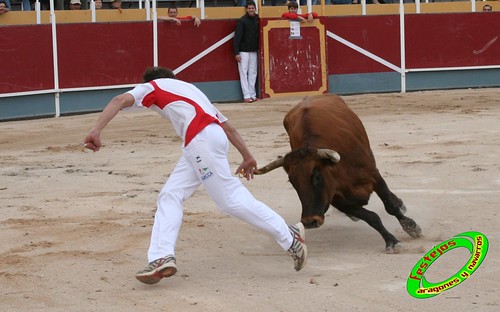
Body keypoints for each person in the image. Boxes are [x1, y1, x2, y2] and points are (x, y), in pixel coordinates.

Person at [83, 66, 307, 285]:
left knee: (229, 199)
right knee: (170, 195)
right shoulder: (191, 90)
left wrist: (96, 131)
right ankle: (160, 256)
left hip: (199, 140)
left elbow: (118, 101)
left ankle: (289, 237)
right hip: (206, 139)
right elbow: (228, 128)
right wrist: (247, 155)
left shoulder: (151, 86)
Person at [233, 1, 259, 103]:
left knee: (253, 72)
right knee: (244, 73)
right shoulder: (242, 21)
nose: (251, 10)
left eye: (252, 8)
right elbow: (237, 38)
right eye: (249, 8)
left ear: (255, 9)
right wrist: (236, 52)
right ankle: (246, 95)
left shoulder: (257, 19)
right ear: (246, 9)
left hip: (253, 50)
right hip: (243, 51)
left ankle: (252, 94)